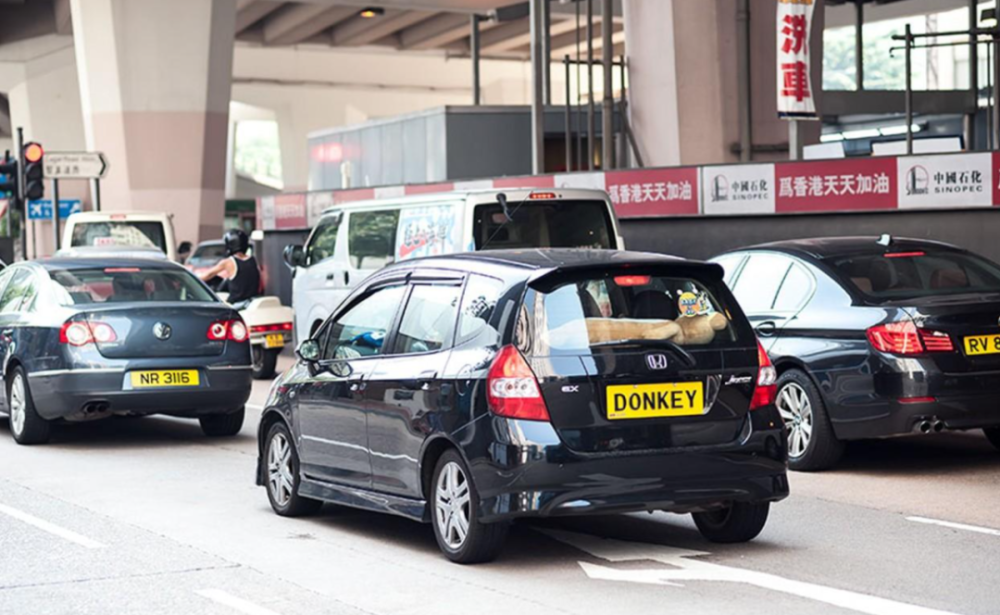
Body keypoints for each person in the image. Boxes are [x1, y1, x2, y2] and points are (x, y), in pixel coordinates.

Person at [199, 229, 261, 305]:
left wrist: (190, 281)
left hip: (238, 304)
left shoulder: (228, 262)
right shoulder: (254, 260)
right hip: (253, 302)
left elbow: (207, 275)